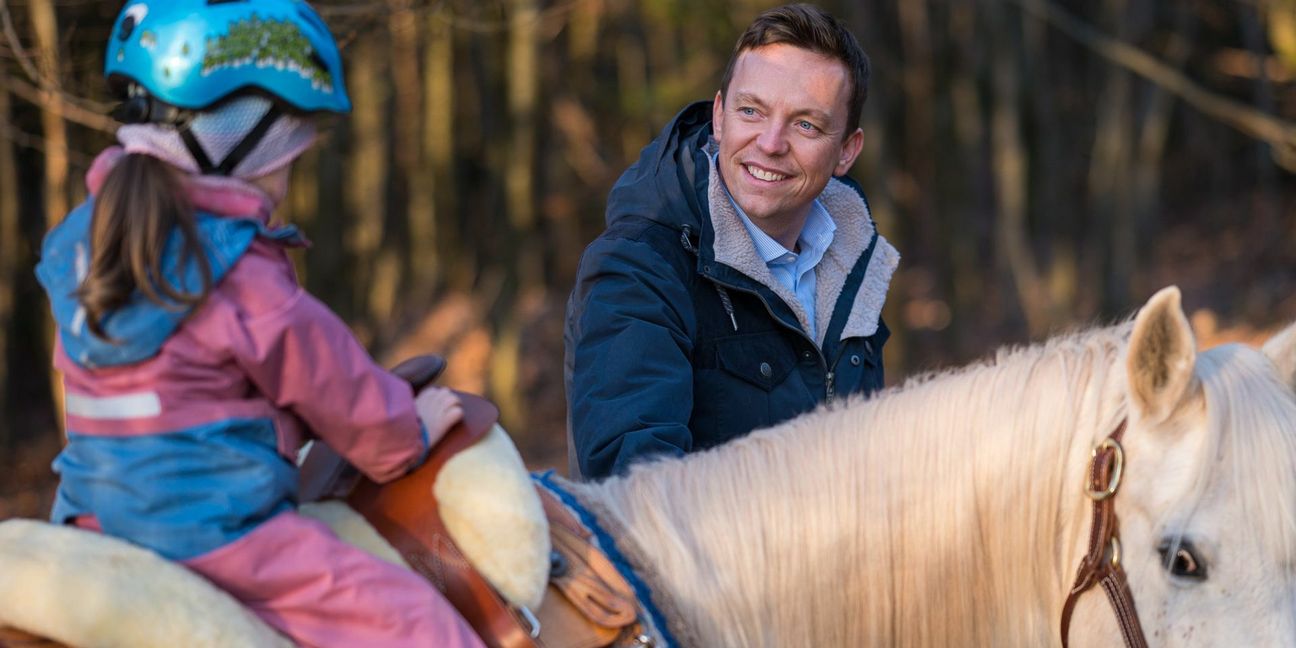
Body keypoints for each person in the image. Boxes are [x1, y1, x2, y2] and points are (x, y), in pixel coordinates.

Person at [34, 2, 482, 646]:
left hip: (91, 515)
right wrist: (411, 431)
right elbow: (341, 394)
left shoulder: (84, 243)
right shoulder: (237, 269)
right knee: (421, 624)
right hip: (215, 534)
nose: (287, 180)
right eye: (286, 155)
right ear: (237, 139)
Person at [565, 3, 900, 480]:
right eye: (751, 111)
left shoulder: (854, 269)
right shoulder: (639, 269)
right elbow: (639, 496)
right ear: (719, 116)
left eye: (805, 124)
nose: (770, 142)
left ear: (847, 150)